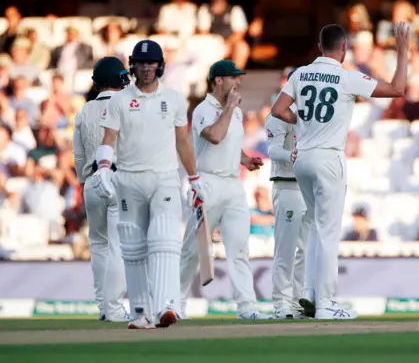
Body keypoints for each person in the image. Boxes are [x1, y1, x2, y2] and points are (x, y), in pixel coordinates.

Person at [271, 22, 410, 319]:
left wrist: (304, 123)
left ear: (320, 47)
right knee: (327, 232)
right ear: (344, 48)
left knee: (313, 230)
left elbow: (278, 110)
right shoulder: (346, 77)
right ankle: (326, 303)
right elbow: (397, 89)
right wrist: (402, 50)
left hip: (302, 158)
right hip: (328, 159)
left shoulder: (300, 74)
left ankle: (309, 293)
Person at [93, 40, 203, 329]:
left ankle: (167, 305)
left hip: (164, 177)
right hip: (129, 179)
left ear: (160, 65)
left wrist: (194, 178)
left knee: (164, 237)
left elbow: (183, 142)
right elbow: (108, 140)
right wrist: (103, 167)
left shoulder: (176, 99)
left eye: (151, 63)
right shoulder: (119, 101)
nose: (145, 68)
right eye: (140, 63)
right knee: (132, 245)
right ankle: (141, 312)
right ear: (132, 66)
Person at [180, 59, 272, 320]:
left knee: (239, 248)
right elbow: (215, 136)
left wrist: (244, 159)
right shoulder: (202, 111)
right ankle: (175, 305)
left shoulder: (237, 112)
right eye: (233, 77)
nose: (238, 82)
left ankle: (247, 308)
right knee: (193, 250)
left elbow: (230, 143)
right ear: (218, 80)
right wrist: (230, 107)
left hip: (233, 185)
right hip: (207, 184)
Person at [73, 57, 130, 323]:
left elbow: (78, 154)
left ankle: (104, 307)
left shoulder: (84, 110)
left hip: (93, 181)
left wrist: (85, 184)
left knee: (98, 245)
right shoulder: (127, 105)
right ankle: (115, 308)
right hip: (119, 179)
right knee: (119, 246)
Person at [265, 67, 310, 319]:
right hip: (287, 185)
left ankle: (298, 301)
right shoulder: (278, 115)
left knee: (305, 249)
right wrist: (291, 156)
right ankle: (281, 302)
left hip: (308, 187)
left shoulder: (311, 116)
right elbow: (272, 150)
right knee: (286, 248)